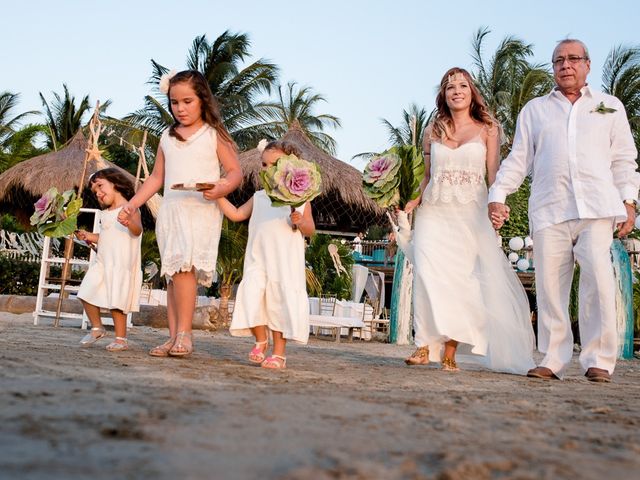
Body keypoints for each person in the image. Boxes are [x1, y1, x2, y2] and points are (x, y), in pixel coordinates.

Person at [488, 39, 640, 383]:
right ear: (553, 67)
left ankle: (598, 359)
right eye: (558, 60)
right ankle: (553, 359)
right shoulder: (535, 110)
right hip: (549, 208)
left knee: (599, 282)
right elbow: (519, 159)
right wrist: (498, 193)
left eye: (573, 59)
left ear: (587, 64)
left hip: (597, 208)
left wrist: (628, 202)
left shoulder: (610, 106)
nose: (566, 65)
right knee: (550, 287)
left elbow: (623, 160)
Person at [402, 67, 535, 374]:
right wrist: (411, 202)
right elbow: (426, 176)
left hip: (470, 214)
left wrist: (497, 205)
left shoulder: (488, 129)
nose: (456, 90)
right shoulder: (433, 130)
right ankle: (423, 344)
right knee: (425, 273)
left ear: (472, 92)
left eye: (462, 85)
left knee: (461, 281)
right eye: (450, 87)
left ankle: (449, 350)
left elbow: (493, 176)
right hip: (434, 210)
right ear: (443, 95)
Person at [118, 70, 242, 357]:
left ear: (202, 100)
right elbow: (155, 178)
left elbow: (235, 171)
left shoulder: (214, 134)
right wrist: (133, 203)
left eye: (188, 101)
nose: (181, 108)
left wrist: (222, 187)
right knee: (174, 274)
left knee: (186, 269)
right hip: (172, 210)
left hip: (200, 208)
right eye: (175, 102)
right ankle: (173, 337)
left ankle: (186, 335)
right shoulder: (166, 137)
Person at [216, 140, 315, 369]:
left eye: (275, 164)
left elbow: (310, 228)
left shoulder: (299, 199)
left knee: (279, 306)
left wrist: (299, 222)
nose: (267, 169)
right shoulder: (260, 196)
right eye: (264, 164)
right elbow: (237, 214)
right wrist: (217, 196)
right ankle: (261, 339)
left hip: (284, 265)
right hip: (257, 260)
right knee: (251, 295)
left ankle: (279, 353)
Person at [77, 168, 143, 352]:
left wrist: (129, 222)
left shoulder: (130, 208)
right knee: (85, 292)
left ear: (116, 183)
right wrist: (89, 236)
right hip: (103, 263)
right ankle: (97, 328)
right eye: (94, 191)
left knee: (117, 303)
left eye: (100, 186)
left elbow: (137, 230)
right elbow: (106, 237)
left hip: (121, 264)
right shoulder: (106, 213)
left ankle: (121, 339)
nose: (98, 192)